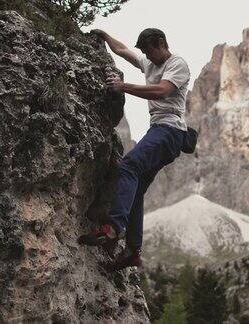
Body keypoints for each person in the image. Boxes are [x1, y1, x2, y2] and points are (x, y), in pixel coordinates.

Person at [78, 28, 191, 271]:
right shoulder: (149, 62)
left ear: (161, 43)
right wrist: (105, 36)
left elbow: (162, 91)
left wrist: (123, 86)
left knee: (128, 166)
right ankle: (132, 251)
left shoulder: (177, 64)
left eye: (149, 50)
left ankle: (113, 228)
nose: (147, 57)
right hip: (159, 132)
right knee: (137, 188)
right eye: (144, 53)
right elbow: (122, 51)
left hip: (170, 131)